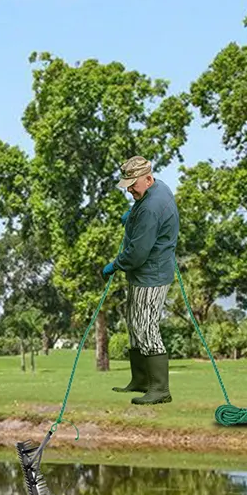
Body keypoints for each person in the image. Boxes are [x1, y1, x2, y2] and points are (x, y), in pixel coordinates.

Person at [101, 156, 179, 405]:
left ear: (147, 177)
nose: (130, 189)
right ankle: (140, 380)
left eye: (133, 184)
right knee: (134, 324)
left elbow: (137, 254)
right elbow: (142, 209)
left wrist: (116, 265)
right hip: (144, 274)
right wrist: (132, 215)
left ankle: (160, 390)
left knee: (146, 327)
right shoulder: (155, 189)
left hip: (151, 276)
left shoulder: (150, 208)